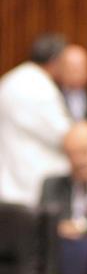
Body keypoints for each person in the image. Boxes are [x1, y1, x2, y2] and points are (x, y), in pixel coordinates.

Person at [0, 33, 71, 207]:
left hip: (10, 179)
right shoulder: (40, 88)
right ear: (55, 61)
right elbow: (65, 136)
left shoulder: (10, 80)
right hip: (33, 183)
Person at [60, 44, 87, 126]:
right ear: (61, 69)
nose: (76, 73)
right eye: (71, 68)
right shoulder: (53, 98)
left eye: (80, 68)